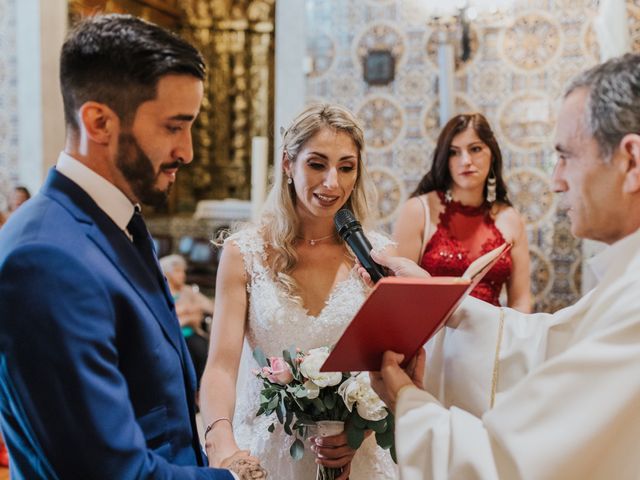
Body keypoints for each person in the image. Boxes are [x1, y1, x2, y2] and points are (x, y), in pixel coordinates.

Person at [0, 14, 263, 479]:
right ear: (99, 121)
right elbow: (105, 470)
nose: (188, 151)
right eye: (173, 127)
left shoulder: (118, 222)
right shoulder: (44, 259)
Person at [368, 52, 640, 479]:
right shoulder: (627, 284)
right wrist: (446, 302)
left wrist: (408, 400)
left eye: (566, 156)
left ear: (631, 162)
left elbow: (501, 465)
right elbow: (547, 341)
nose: (555, 181)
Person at [199, 103, 398, 479]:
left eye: (346, 167)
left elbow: (393, 366)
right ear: (289, 164)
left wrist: (362, 429)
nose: (332, 184)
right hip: (267, 452)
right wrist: (221, 441)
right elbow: (222, 367)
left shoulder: (376, 255)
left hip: (355, 458)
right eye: (317, 164)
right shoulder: (245, 254)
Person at [393, 113, 531, 312]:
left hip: (493, 337)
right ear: (445, 159)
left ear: (492, 154)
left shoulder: (510, 218)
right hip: (433, 338)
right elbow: (400, 295)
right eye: (453, 152)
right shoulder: (418, 210)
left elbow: (521, 300)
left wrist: (515, 341)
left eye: (475, 149)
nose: (465, 160)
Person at [160, 253, 214, 386]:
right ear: (167, 273)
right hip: (167, 337)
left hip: (190, 336)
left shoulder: (188, 291)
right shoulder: (160, 292)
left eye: (183, 271)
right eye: (178, 271)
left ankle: (199, 389)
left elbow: (211, 307)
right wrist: (186, 313)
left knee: (201, 349)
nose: (182, 275)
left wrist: (187, 312)